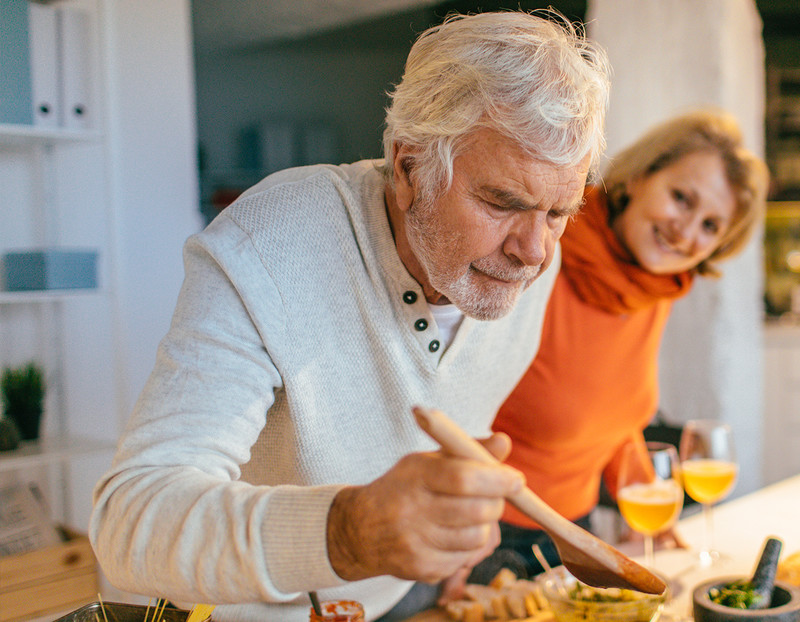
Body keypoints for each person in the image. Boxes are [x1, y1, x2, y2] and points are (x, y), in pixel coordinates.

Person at [88, 10, 610, 622]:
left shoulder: (524, 261)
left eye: (559, 212)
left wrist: (448, 531)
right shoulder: (272, 244)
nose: (534, 251)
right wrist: (348, 532)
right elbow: (131, 522)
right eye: (501, 202)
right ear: (409, 167)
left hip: (393, 598)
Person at [473, 109, 768, 581]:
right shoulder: (538, 252)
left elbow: (613, 415)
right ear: (638, 177)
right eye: (681, 198)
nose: (685, 233)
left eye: (711, 226)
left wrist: (650, 507)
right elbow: (453, 404)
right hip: (487, 537)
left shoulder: (653, 287)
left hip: (577, 531)